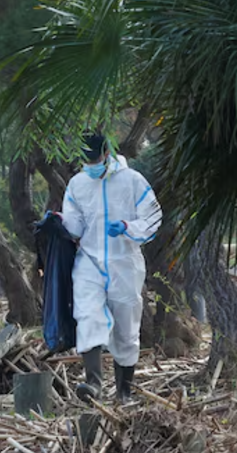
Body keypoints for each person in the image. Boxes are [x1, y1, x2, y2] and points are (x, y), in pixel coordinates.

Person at [62, 132, 162, 403]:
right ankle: (93, 384)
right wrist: (61, 224)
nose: (91, 164)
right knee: (87, 314)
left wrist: (129, 228)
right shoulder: (77, 184)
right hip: (90, 261)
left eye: (95, 158)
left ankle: (124, 392)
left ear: (107, 153)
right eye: (87, 160)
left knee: (126, 328)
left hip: (124, 262)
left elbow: (153, 217)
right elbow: (74, 225)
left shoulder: (132, 181)